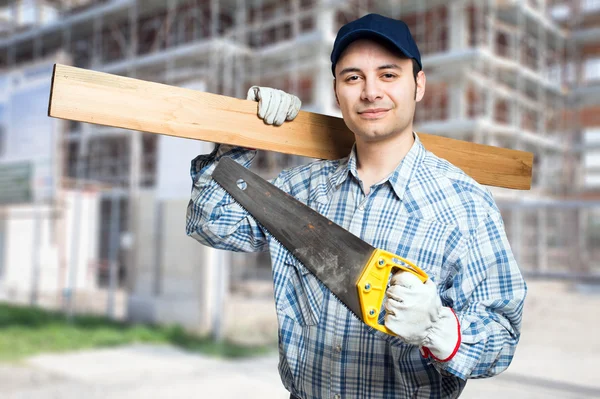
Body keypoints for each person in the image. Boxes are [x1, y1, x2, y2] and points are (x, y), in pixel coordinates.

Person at [186, 13, 526, 399]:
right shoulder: (299, 190)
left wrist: (441, 330)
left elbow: (502, 337)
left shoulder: (465, 204)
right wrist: (239, 138)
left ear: (419, 85)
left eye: (388, 74)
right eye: (353, 78)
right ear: (337, 92)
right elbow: (209, 223)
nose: (370, 92)